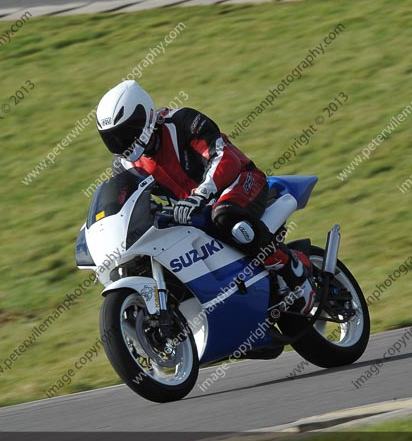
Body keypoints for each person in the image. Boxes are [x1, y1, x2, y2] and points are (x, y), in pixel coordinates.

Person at [95, 79, 314, 314]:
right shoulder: (125, 164)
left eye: (126, 133)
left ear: (145, 116)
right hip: (192, 210)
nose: (122, 143)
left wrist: (202, 194)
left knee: (225, 215)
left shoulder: (181, 122)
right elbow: (126, 201)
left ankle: (293, 270)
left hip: (239, 182)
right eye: (113, 138)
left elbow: (222, 156)